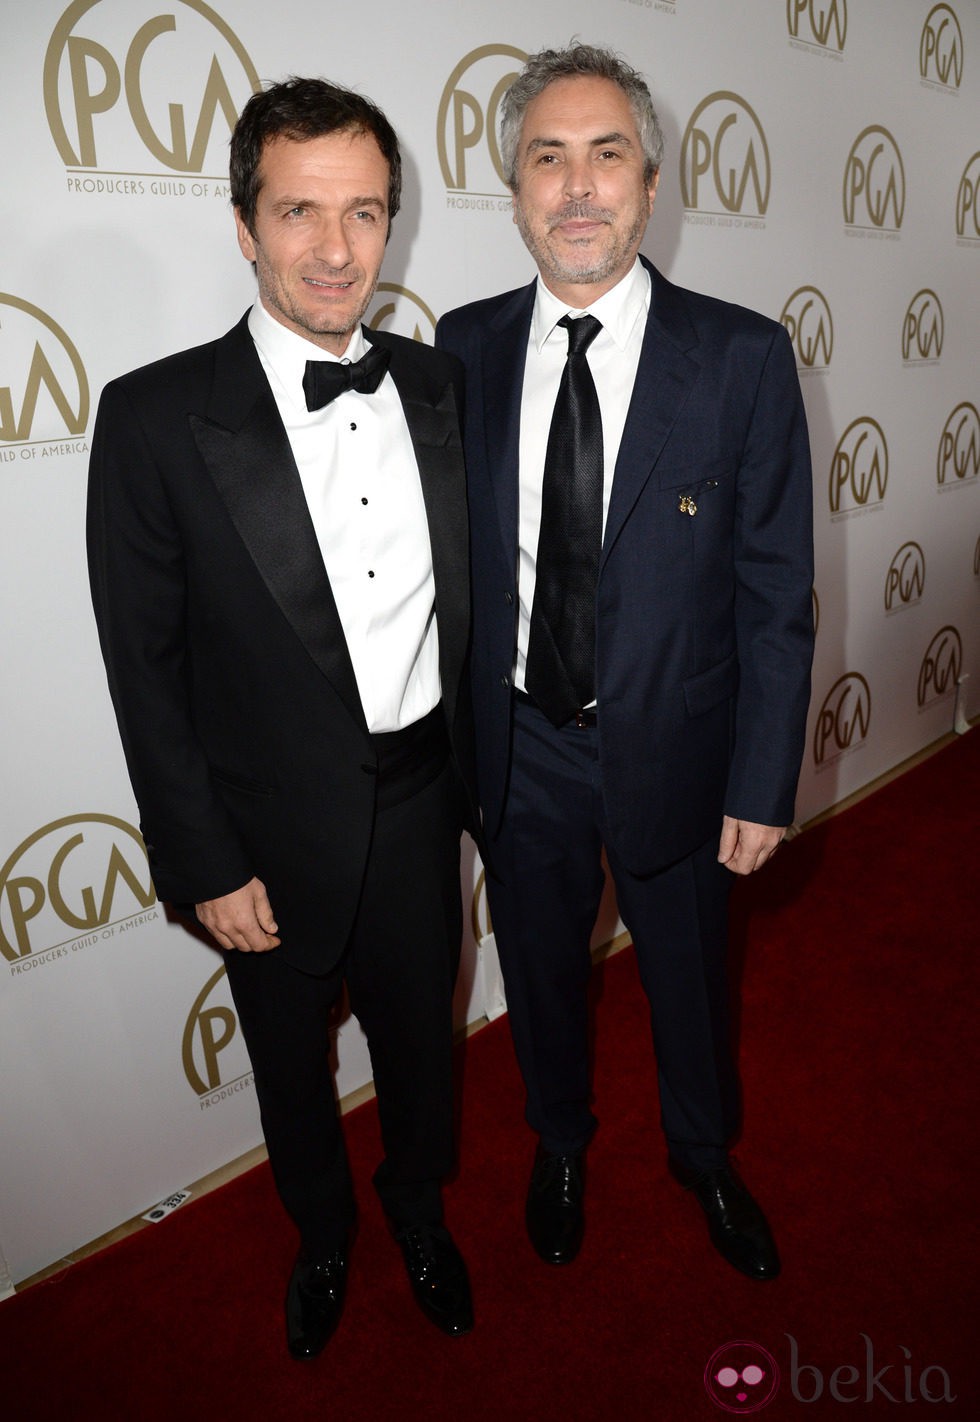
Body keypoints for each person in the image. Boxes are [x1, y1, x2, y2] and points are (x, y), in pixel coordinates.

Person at [87, 77, 477, 1359]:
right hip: (259, 831)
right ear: (244, 225)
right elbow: (144, 667)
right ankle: (321, 1236)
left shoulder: (442, 387)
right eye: (298, 212)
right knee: (289, 1071)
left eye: (363, 212)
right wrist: (202, 857)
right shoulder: (152, 417)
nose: (333, 248)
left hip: (423, 805)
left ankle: (418, 1212)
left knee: (425, 1046)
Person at [436, 44, 813, 1281]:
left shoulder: (742, 356)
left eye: (606, 155)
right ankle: (558, 1139)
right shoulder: (463, 346)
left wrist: (763, 781)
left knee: (691, 979)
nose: (578, 185)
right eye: (548, 157)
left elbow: (772, 591)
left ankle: (702, 1153)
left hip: (685, 747)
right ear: (515, 192)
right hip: (520, 745)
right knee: (540, 970)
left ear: (650, 186)